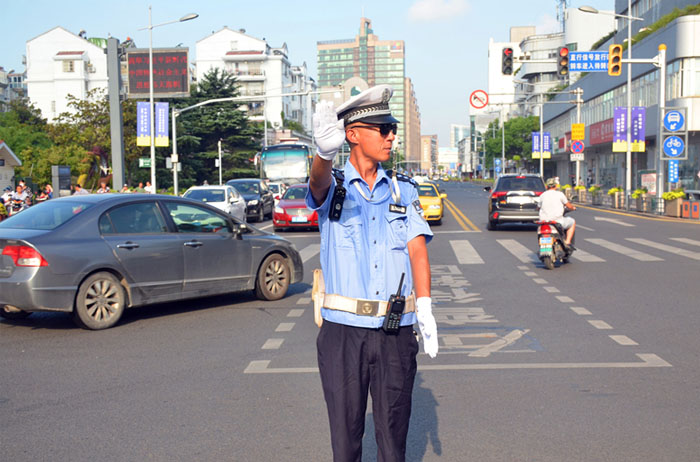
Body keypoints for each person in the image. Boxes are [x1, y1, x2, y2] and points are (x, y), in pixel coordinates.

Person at [307, 85, 438, 462]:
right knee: (345, 443)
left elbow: (417, 249)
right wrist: (323, 155)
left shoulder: (403, 190)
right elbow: (317, 185)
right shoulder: (335, 188)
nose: (391, 136)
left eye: (392, 128)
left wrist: (425, 307)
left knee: (394, 443)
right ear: (353, 134)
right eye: (383, 129)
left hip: (395, 332)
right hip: (343, 333)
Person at [538, 177, 576, 248]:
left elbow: (538, 207)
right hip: (557, 221)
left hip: (544, 221)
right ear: (556, 186)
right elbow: (569, 206)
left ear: (546, 186)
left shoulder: (542, 195)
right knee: (572, 222)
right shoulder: (560, 194)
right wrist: (573, 208)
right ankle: (567, 242)